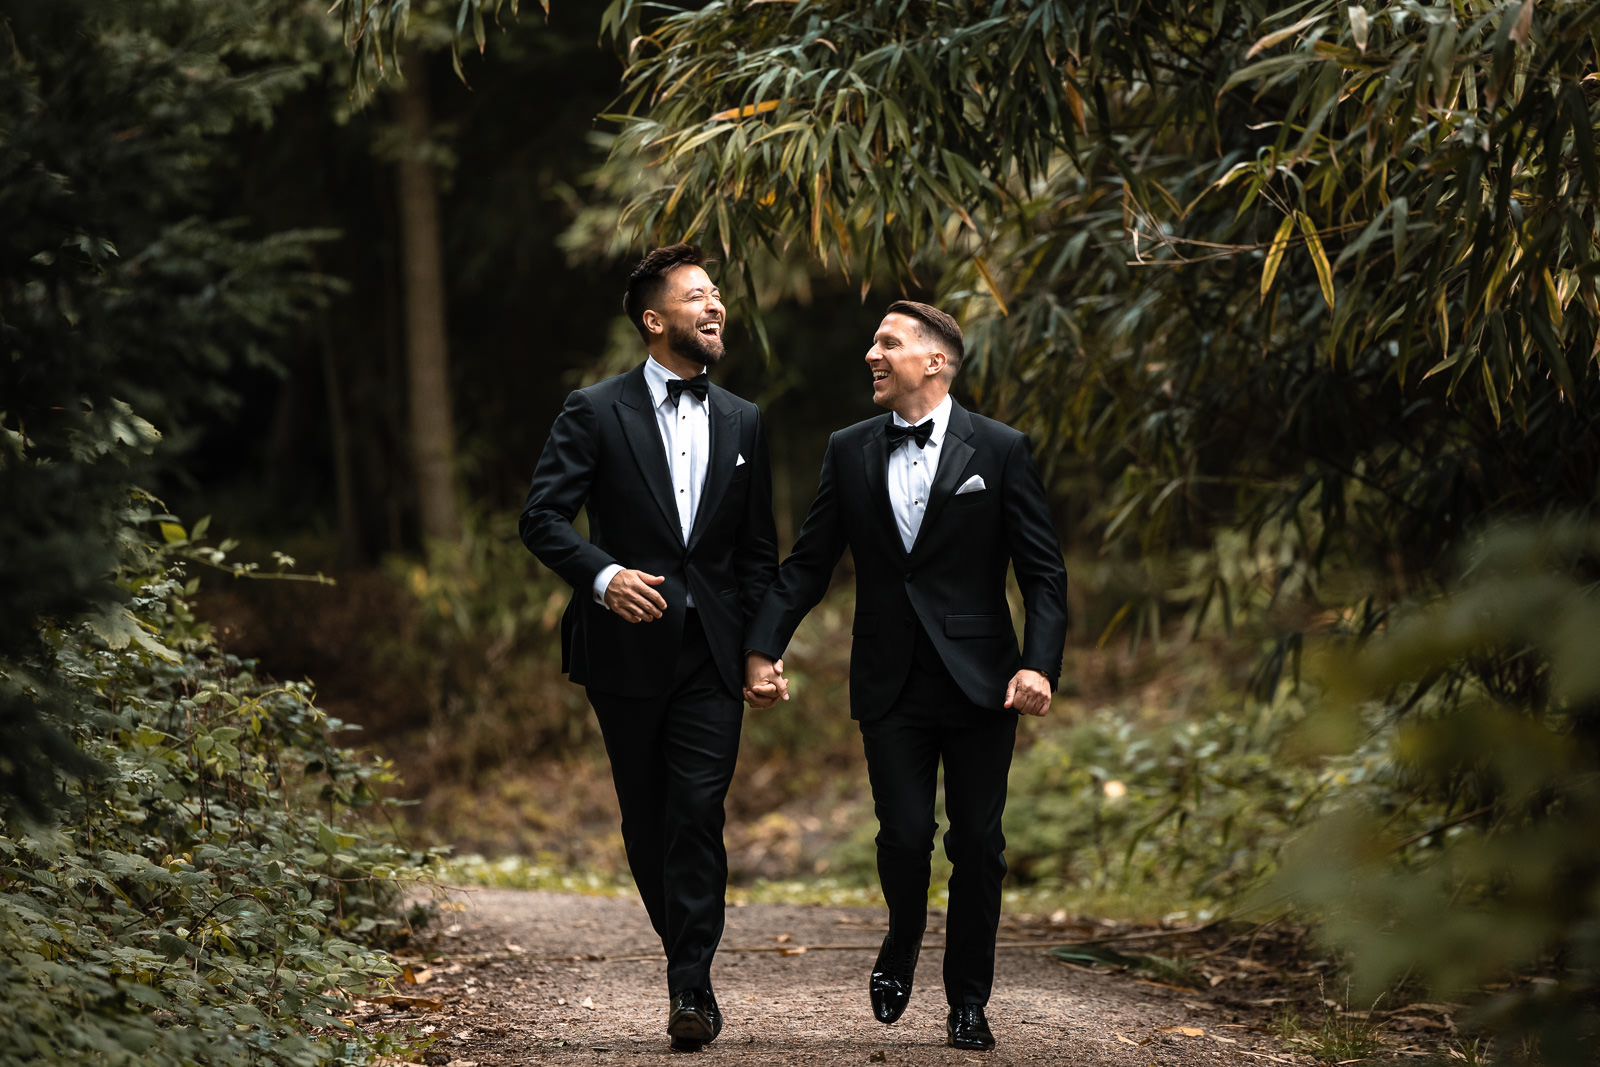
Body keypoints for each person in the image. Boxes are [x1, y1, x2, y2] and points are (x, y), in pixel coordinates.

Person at [743, 300, 1068, 1052]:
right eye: (872, 342)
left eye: (888, 342)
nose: (871, 355)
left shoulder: (1002, 448)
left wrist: (1038, 664)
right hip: (889, 677)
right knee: (904, 834)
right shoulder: (849, 448)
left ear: (937, 360)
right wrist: (764, 647)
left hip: (984, 679)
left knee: (979, 843)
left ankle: (969, 1002)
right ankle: (900, 938)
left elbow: (1044, 574)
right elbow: (809, 564)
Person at [520, 243, 778, 1053]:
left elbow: (757, 554)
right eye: (697, 295)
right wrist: (602, 577)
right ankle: (688, 960)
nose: (716, 306)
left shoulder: (745, 419)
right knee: (647, 815)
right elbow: (543, 518)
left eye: (717, 294)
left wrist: (762, 647)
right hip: (623, 651)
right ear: (654, 319)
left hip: (713, 651)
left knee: (699, 809)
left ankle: (691, 986)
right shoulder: (594, 410)